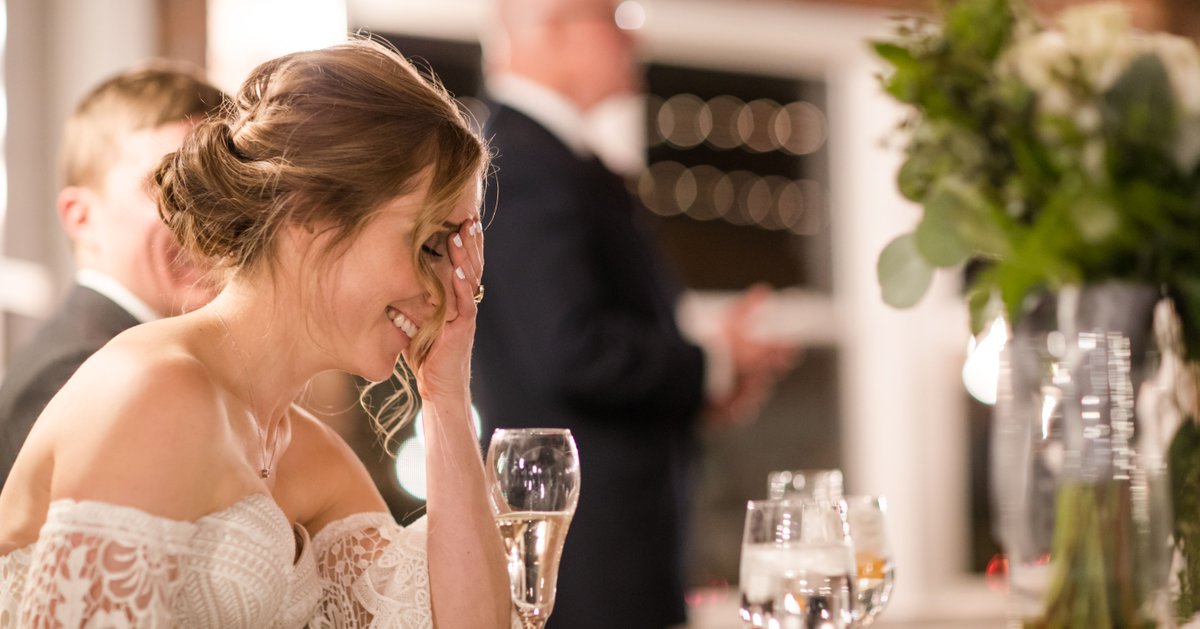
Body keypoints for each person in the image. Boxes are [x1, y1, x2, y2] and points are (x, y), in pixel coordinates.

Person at [0, 38, 512, 628]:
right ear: (311, 216)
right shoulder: (152, 392)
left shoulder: (304, 451)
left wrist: (447, 393)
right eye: (428, 244)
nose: (444, 287)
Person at [471, 1, 798, 628]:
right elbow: (572, 351)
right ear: (550, 29)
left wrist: (703, 378)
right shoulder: (526, 162)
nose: (633, 36)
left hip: (617, 542)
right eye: (614, 16)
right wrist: (713, 362)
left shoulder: (556, 159)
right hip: (588, 552)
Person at [0, 63, 225, 486]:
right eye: (169, 186)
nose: (205, 217)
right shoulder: (75, 373)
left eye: (217, 188)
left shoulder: (158, 356)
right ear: (82, 218)